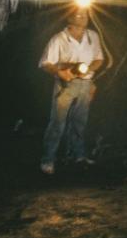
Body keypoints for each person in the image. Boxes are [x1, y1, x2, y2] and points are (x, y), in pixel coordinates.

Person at [39, 9, 104, 174]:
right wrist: (60, 72)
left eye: (86, 15)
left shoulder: (93, 36)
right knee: (57, 122)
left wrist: (87, 69)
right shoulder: (59, 39)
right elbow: (45, 63)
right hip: (65, 84)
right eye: (78, 15)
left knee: (79, 122)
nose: (83, 18)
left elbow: (99, 58)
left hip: (86, 84)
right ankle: (48, 160)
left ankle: (78, 155)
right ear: (68, 17)